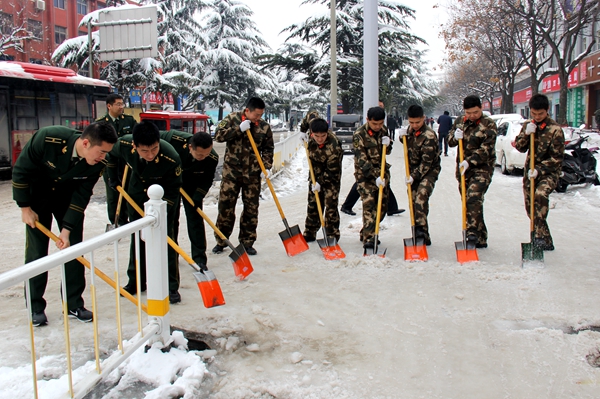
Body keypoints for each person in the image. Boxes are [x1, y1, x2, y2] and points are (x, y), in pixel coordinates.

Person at [12, 122, 118, 326]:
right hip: (37, 198)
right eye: (101, 152)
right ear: (86, 143)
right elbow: (21, 170)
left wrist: (67, 230)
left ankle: (73, 304)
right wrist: (25, 207)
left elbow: (82, 195)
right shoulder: (48, 139)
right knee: (37, 252)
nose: (103, 157)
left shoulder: (98, 163)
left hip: (67, 200)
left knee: (74, 250)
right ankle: (35, 307)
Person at [107, 121, 183, 304]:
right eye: (144, 151)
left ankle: (171, 286)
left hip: (164, 202)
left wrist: (161, 214)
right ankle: (136, 282)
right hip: (136, 197)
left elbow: (174, 190)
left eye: (154, 149)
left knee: (167, 241)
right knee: (138, 240)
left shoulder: (171, 157)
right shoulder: (124, 144)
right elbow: (111, 155)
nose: (150, 155)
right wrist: (113, 177)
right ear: (134, 146)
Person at [212, 97, 274, 256]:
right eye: (256, 115)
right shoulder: (231, 119)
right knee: (226, 207)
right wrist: (238, 129)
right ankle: (221, 240)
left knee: (251, 209)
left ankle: (247, 242)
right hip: (231, 173)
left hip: (252, 174)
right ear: (247, 110)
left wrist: (265, 167)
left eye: (261, 115)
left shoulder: (264, 127)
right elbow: (218, 135)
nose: (258, 118)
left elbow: (268, 149)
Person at [160, 130, 219, 268]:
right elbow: (156, 140)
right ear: (190, 147)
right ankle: (171, 256)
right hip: (171, 182)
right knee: (171, 218)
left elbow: (207, 180)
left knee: (195, 219)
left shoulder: (212, 158)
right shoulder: (174, 140)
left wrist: (198, 197)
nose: (203, 157)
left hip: (193, 183)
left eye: (206, 154)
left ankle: (199, 259)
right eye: (199, 154)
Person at [514, 94, 564, 251]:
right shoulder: (529, 125)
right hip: (530, 174)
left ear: (547, 111)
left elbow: (557, 158)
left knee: (540, 196)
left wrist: (540, 170)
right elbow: (520, 147)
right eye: (533, 114)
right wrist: (526, 134)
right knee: (531, 209)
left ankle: (539, 237)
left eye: (540, 114)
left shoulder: (555, 130)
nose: (537, 117)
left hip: (548, 173)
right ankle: (546, 240)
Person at [448, 95, 497, 248]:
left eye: (475, 112)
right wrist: (455, 137)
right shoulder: (460, 122)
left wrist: (470, 161)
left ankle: (472, 233)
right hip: (463, 169)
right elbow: (450, 142)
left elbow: (487, 149)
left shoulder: (489, 124)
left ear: (481, 108)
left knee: (473, 197)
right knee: (470, 202)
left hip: (482, 168)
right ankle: (481, 237)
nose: (471, 116)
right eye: (468, 113)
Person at [399, 105, 441, 245]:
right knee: (413, 201)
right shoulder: (410, 131)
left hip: (428, 171)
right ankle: (420, 234)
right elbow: (409, 145)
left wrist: (414, 176)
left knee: (421, 197)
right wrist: (401, 137)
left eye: (417, 122)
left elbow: (426, 163)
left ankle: (421, 232)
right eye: (411, 122)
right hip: (414, 171)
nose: (414, 125)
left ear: (424, 118)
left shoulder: (429, 136)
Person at [353, 106, 393, 248]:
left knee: (382, 208)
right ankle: (369, 239)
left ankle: (366, 231)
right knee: (369, 204)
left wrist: (388, 144)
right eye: (374, 124)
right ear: (367, 120)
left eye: (380, 123)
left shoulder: (384, 131)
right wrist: (375, 175)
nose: (377, 127)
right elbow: (362, 160)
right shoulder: (359, 135)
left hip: (382, 174)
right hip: (365, 175)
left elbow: (387, 152)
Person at [97, 93, 137, 227]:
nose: (121, 107)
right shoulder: (101, 123)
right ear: (109, 106)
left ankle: (129, 220)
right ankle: (116, 222)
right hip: (110, 164)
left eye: (122, 104)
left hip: (126, 164)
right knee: (113, 194)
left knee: (129, 191)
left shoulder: (129, 121)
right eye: (118, 104)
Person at [302, 118, 343, 242]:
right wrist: (301, 131)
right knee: (313, 204)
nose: (320, 139)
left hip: (331, 179)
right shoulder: (310, 137)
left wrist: (321, 182)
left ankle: (332, 234)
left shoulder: (334, 145)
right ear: (312, 133)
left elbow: (333, 170)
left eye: (323, 136)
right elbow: (310, 116)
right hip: (315, 176)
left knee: (330, 205)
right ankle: (310, 232)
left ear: (327, 132)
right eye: (317, 136)